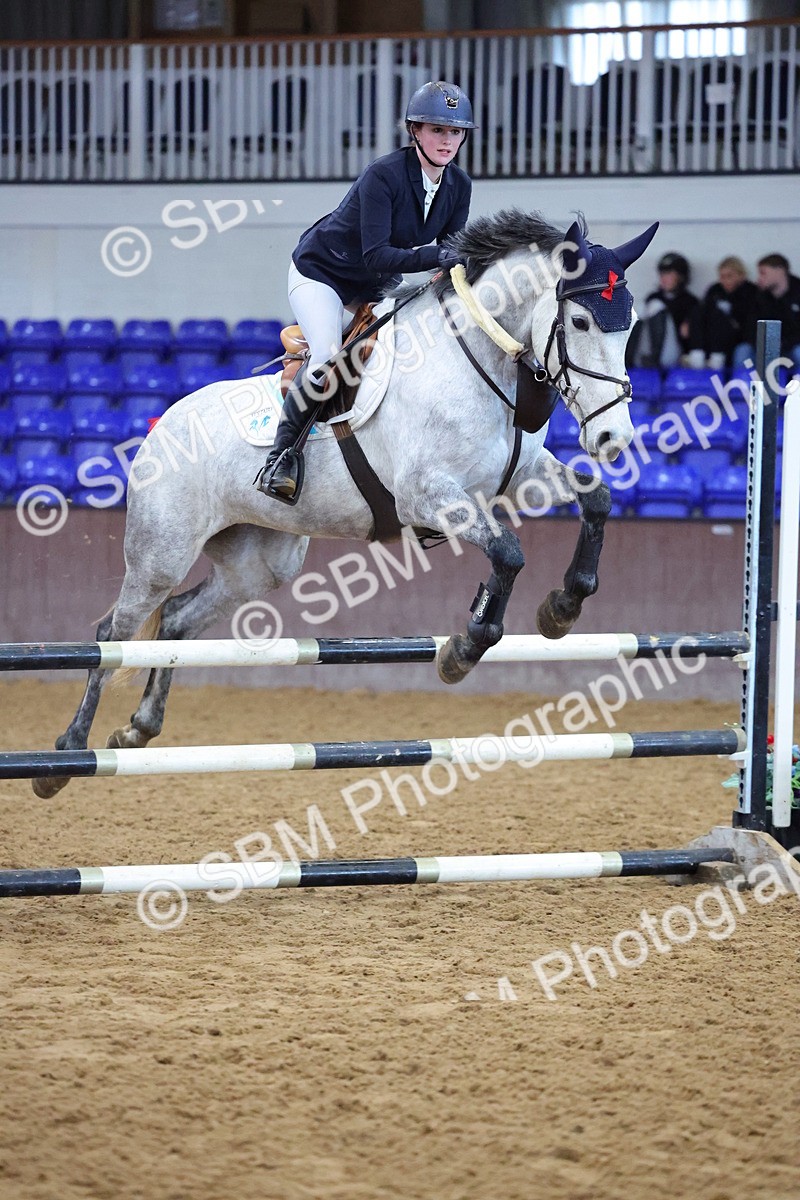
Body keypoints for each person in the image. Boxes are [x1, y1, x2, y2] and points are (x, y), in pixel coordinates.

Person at [256, 80, 474, 502]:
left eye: (455, 132)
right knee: (326, 352)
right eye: (437, 130)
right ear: (415, 131)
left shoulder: (459, 186)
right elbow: (380, 254)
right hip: (323, 273)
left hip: (375, 283)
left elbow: (451, 252)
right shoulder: (384, 174)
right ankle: (282, 458)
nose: (447, 140)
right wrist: (440, 258)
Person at [626, 251, 699, 369]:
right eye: (662, 274)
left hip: (674, 354)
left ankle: (654, 361)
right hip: (645, 351)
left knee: (655, 306)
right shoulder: (653, 297)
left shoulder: (690, 302)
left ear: (680, 276)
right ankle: (628, 360)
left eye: (669, 274)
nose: (664, 278)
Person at [686, 256, 759, 369]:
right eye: (722, 276)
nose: (725, 280)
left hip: (740, 338)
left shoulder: (752, 293)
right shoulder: (715, 290)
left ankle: (717, 358)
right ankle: (697, 354)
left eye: (729, 276)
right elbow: (703, 313)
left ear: (741, 275)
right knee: (700, 311)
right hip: (712, 336)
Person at [739, 253, 800, 373]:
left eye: (763, 272)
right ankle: (742, 389)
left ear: (779, 271)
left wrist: (785, 343)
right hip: (764, 347)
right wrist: (765, 344)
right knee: (743, 351)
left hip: (792, 346)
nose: (759, 278)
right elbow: (749, 328)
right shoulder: (757, 296)